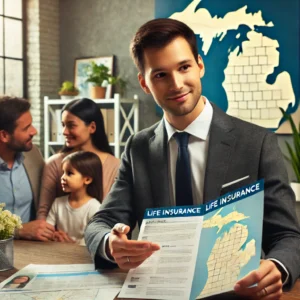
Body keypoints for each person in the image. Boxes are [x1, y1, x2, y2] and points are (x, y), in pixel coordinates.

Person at [85, 18, 300, 299]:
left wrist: (277, 266)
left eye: (184, 67)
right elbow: (100, 223)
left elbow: (288, 237)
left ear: (200, 64)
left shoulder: (257, 143)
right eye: (160, 75)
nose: (176, 84)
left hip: (235, 292)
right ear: (144, 83)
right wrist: (109, 243)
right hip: (159, 291)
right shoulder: (138, 147)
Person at [37, 98, 120, 220]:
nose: (64, 132)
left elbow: (118, 214)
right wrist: (52, 234)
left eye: (71, 125)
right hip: (56, 238)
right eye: (63, 125)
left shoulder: (116, 166)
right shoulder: (54, 164)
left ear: (92, 127)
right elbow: (43, 213)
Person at [0, 96, 54, 241]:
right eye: (26, 128)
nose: (34, 131)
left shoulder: (33, 155)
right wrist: (19, 231)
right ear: (4, 135)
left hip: (34, 252)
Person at [46, 151, 102, 245]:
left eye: (69, 173)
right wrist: (54, 236)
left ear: (87, 179)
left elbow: (94, 238)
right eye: (63, 172)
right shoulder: (57, 203)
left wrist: (71, 244)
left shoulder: (94, 207)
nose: (62, 177)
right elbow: (47, 229)